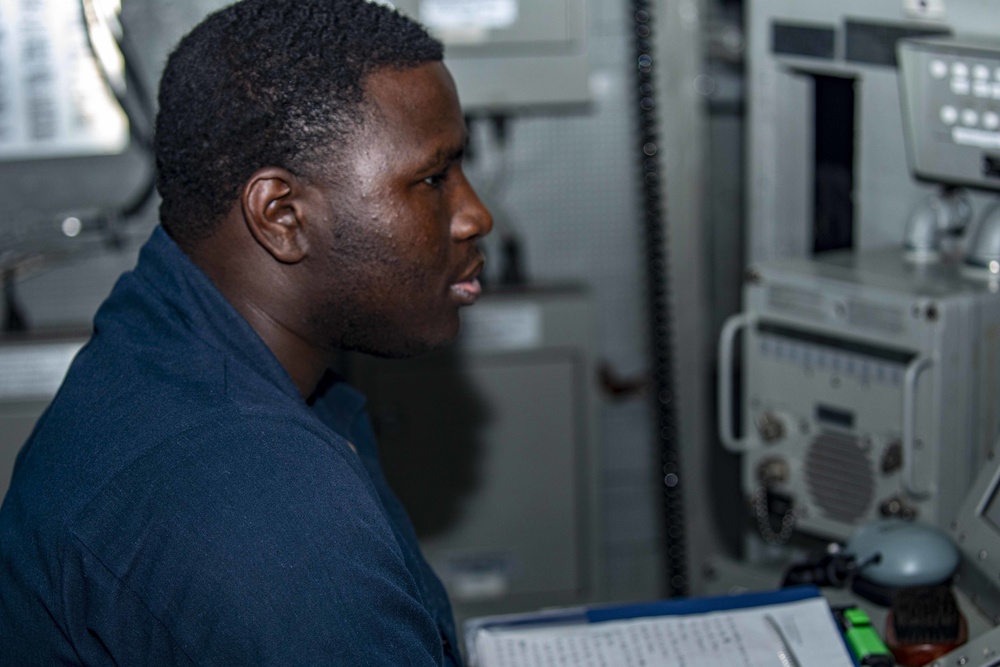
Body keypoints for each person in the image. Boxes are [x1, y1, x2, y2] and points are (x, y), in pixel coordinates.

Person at [0, 0, 492, 663]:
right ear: (281, 215)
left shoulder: (164, 332)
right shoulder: (264, 515)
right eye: (432, 179)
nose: (475, 215)